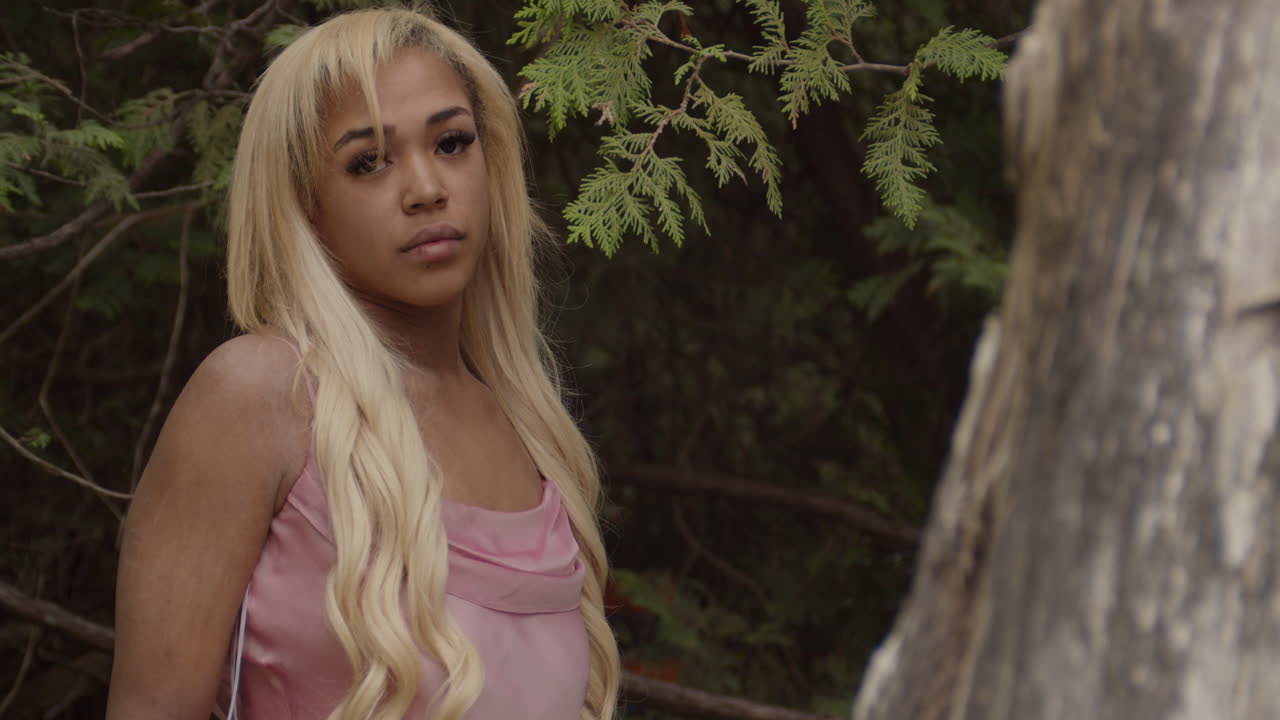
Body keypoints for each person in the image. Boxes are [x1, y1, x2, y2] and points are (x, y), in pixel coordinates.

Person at [104, 8, 620, 720]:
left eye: (451, 143)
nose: (426, 188)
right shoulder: (260, 396)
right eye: (368, 162)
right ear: (303, 204)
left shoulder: (528, 430)